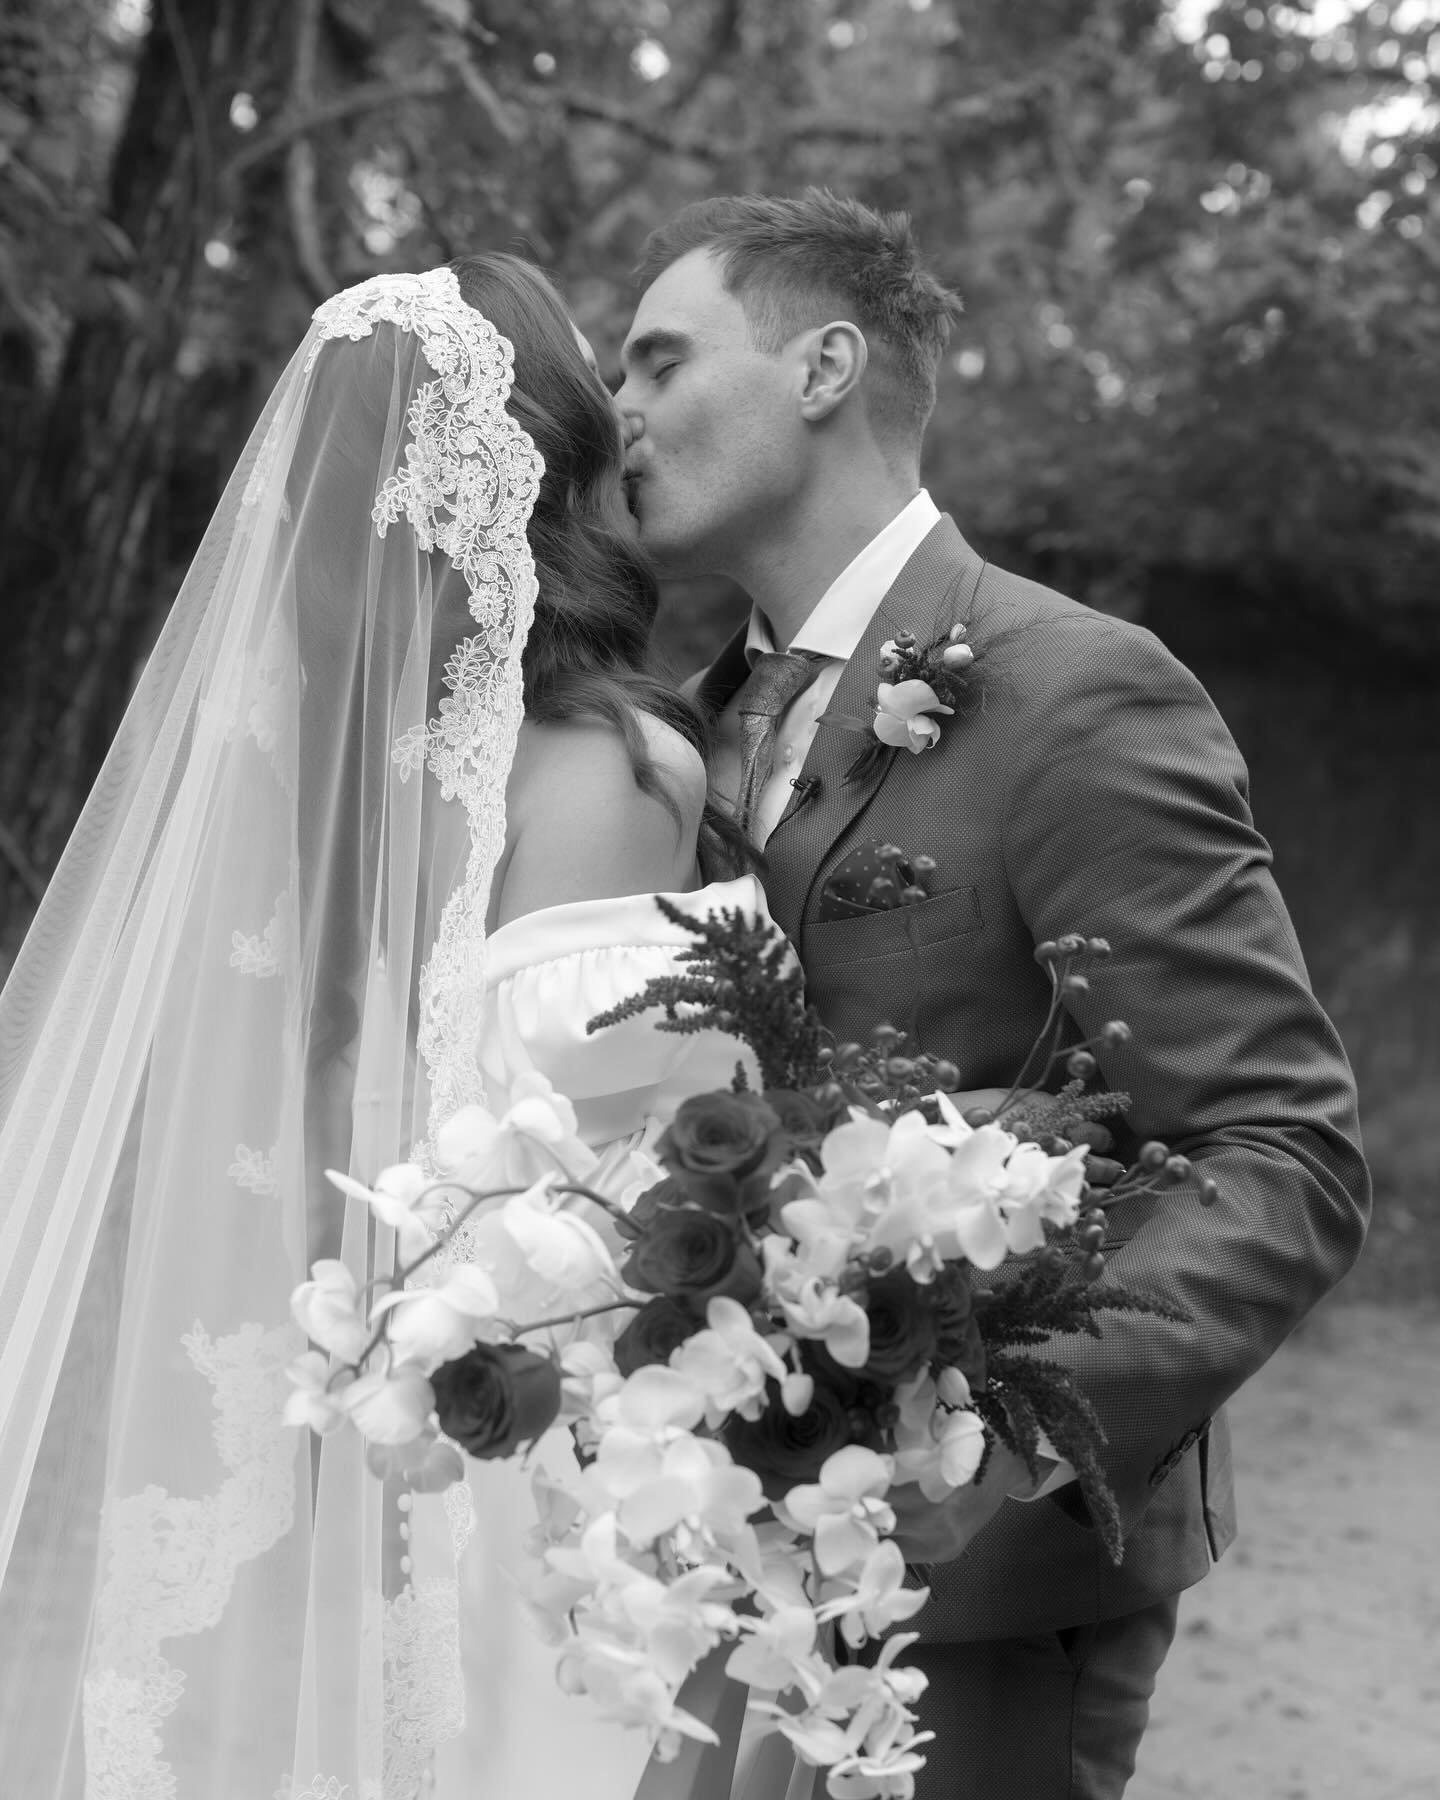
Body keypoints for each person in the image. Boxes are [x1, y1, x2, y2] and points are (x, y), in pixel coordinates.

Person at [613, 189, 1370, 1800]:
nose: (619, 412)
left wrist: (998, 1433)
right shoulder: (669, 740)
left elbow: (1279, 1154)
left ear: (824, 367)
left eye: (659, 361)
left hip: (985, 1593)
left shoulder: (1077, 691)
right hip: (699, 1569)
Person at [0, 253, 767, 1799]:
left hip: (406, 1411)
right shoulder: (618, 772)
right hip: (578, 1457)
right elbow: (612, 1149)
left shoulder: (339, 800)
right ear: (546, 464)